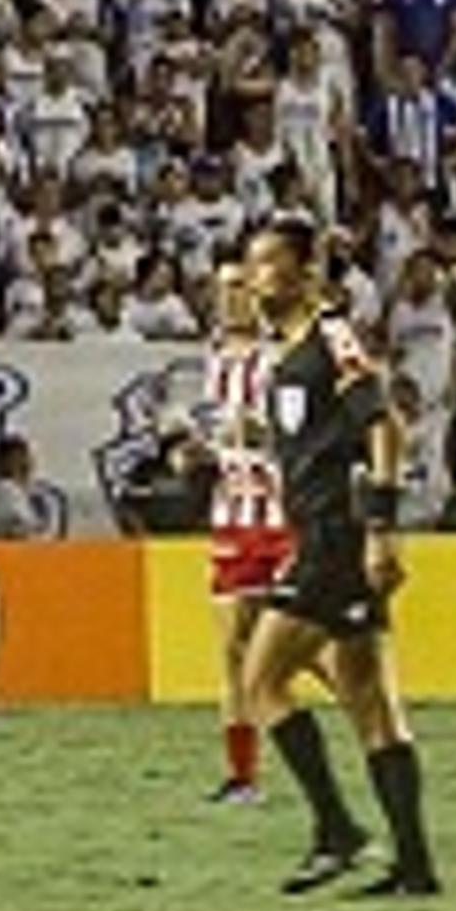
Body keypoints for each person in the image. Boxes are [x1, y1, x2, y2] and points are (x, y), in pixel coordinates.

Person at [235, 217, 437, 898]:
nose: (252, 273)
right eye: (250, 261)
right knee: (369, 700)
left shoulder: (331, 337)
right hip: (322, 531)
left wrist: (381, 526)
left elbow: (383, 426)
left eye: (267, 261)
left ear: (304, 272)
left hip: (336, 538)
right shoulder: (288, 350)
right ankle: (415, 867)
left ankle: (337, 830)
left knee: (260, 681)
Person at [195, 257, 289, 803]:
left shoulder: (281, 358)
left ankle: (377, 734)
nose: (232, 299)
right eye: (225, 290)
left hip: (284, 519)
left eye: (242, 289)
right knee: (233, 652)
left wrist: (263, 430)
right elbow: (219, 435)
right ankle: (243, 777)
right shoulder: (212, 360)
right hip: (233, 519)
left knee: (302, 653)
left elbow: (307, 429)